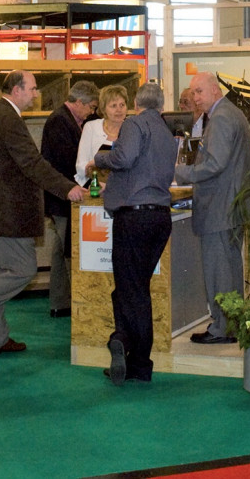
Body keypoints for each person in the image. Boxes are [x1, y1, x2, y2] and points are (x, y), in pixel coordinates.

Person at [0, 70, 86, 355]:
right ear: (16, 90)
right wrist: (67, 188)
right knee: (23, 270)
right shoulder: (9, 120)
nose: (36, 94)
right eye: (33, 89)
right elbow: (33, 164)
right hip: (6, 213)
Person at [93, 82, 177, 385]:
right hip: (160, 217)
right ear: (162, 104)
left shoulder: (134, 124)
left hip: (134, 217)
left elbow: (124, 158)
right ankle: (128, 352)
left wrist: (100, 159)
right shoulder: (168, 134)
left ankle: (134, 355)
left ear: (136, 103)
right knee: (134, 288)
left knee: (132, 291)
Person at [174, 72, 250, 344]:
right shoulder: (231, 113)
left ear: (215, 92)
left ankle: (222, 328)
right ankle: (231, 323)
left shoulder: (220, 118)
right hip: (231, 205)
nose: (195, 98)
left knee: (219, 269)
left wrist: (179, 174)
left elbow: (214, 164)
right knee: (230, 268)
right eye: (193, 93)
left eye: (199, 92)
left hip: (220, 207)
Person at [40, 80, 99, 318]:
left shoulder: (69, 120)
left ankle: (60, 301)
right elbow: (66, 162)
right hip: (63, 194)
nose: (93, 112)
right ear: (78, 102)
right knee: (68, 250)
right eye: (91, 107)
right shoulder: (59, 121)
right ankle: (72, 303)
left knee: (60, 248)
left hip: (63, 194)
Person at [75, 84, 130, 186]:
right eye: (113, 106)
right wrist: (97, 182)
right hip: (96, 188)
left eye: (122, 105)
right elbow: (81, 166)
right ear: (104, 109)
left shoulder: (133, 129)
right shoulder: (91, 127)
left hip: (127, 190)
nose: (119, 110)